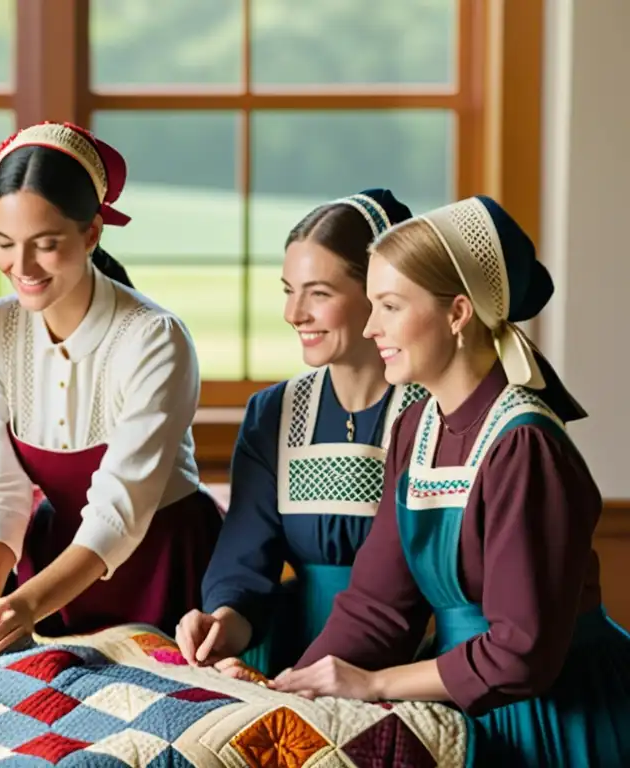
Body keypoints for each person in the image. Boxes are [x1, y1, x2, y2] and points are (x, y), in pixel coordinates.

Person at [223, 195, 630, 766]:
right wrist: (295, 688)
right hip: (466, 707)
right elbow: (378, 605)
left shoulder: (523, 445)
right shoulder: (420, 423)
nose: (371, 328)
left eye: (389, 306)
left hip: (558, 720)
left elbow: (521, 654)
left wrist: (376, 686)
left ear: (458, 312)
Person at [0, 121, 223, 663]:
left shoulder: (155, 338)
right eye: (4, 244)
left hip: (161, 560)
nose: (20, 268)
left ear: (91, 234)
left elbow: (119, 508)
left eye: (45, 245)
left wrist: (22, 605)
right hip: (50, 565)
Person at [175, 190, 425, 677]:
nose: (294, 313)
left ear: (379, 296)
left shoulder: (433, 411)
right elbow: (245, 562)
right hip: (296, 656)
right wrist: (223, 622)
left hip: (409, 660)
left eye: (319, 293)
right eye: (288, 289)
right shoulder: (273, 414)